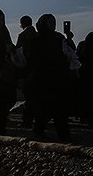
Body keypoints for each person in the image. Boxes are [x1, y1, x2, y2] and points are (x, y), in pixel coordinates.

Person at [25, 13, 71, 142]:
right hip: (42, 78)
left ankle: (63, 134)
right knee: (43, 107)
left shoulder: (59, 37)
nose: (53, 24)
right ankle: (38, 131)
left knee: (59, 107)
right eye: (50, 22)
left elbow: (68, 51)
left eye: (54, 22)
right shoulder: (36, 39)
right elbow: (32, 58)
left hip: (57, 77)